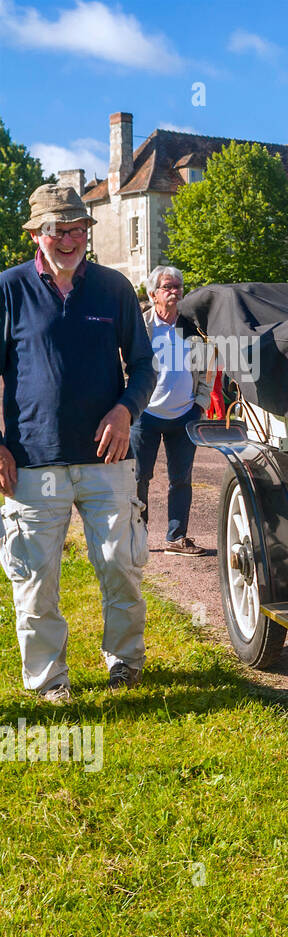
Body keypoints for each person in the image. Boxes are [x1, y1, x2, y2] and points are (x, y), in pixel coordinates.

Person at [0, 184, 157, 702]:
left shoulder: (113, 289)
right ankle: (49, 683)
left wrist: (125, 409)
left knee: (121, 566)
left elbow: (142, 366)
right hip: (30, 461)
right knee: (35, 580)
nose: (68, 239)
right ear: (36, 235)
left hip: (107, 459)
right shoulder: (9, 289)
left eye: (76, 229)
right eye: (56, 230)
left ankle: (125, 665)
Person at [130, 265, 209, 555]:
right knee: (139, 477)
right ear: (153, 294)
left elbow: (206, 368)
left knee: (182, 478)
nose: (175, 291)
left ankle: (177, 538)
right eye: (168, 287)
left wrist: (200, 403)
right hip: (144, 415)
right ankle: (137, 537)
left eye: (178, 286)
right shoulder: (139, 327)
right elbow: (122, 368)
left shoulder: (192, 327)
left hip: (185, 415)